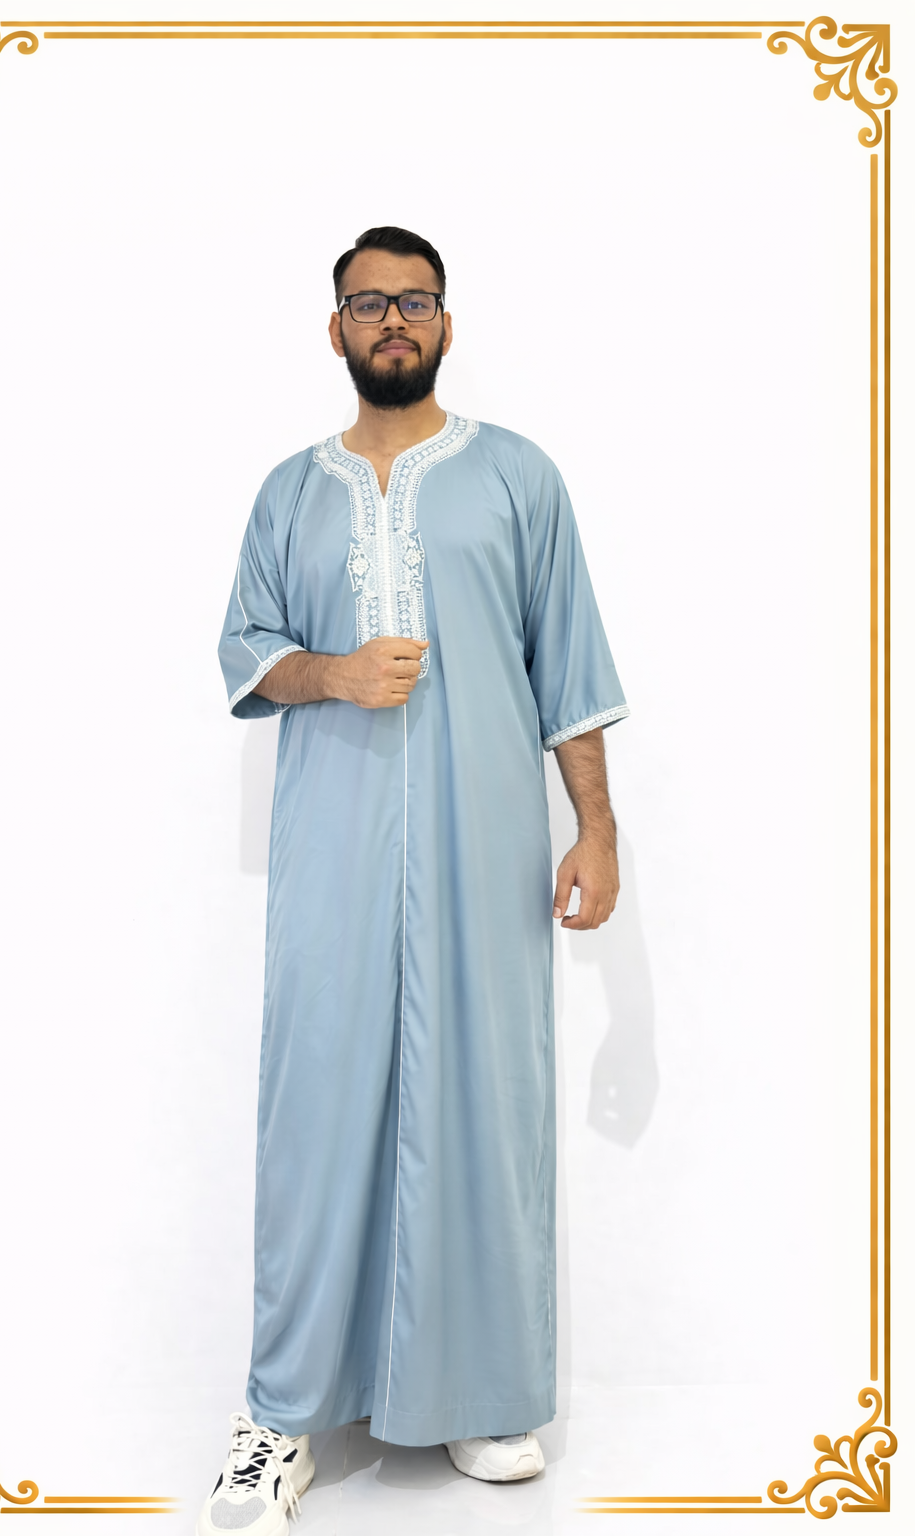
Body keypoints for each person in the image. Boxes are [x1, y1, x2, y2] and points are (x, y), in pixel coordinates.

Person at [200, 227, 628, 1536]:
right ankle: (283, 1413)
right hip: (330, 862)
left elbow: (568, 668)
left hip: (483, 855)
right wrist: (333, 672)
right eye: (369, 301)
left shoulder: (517, 478)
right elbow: (246, 647)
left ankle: (483, 1394)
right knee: (317, 1109)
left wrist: (597, 827)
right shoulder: (290, 493)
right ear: (334, 329)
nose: (394, 318)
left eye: (416, 299)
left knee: (483, 1105)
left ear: (446, 323)